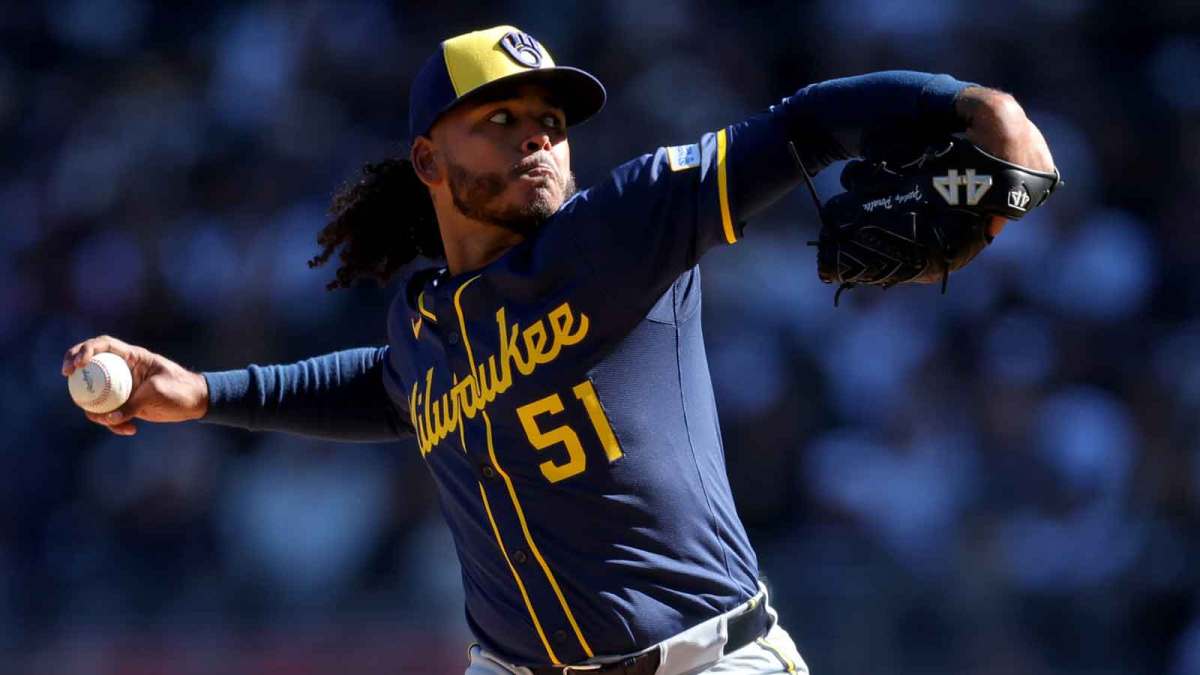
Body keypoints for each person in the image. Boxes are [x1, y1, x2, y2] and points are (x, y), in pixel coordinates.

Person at [61, 25, 1054, 675]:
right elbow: (393, 387)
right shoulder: (427, 319)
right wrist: (205, 393)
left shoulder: (624, 227)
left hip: (706, 661)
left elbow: (807, 123)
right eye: (500, 120)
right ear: (428, 162)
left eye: (550, 122)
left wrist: (989, 119)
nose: (538, 138)